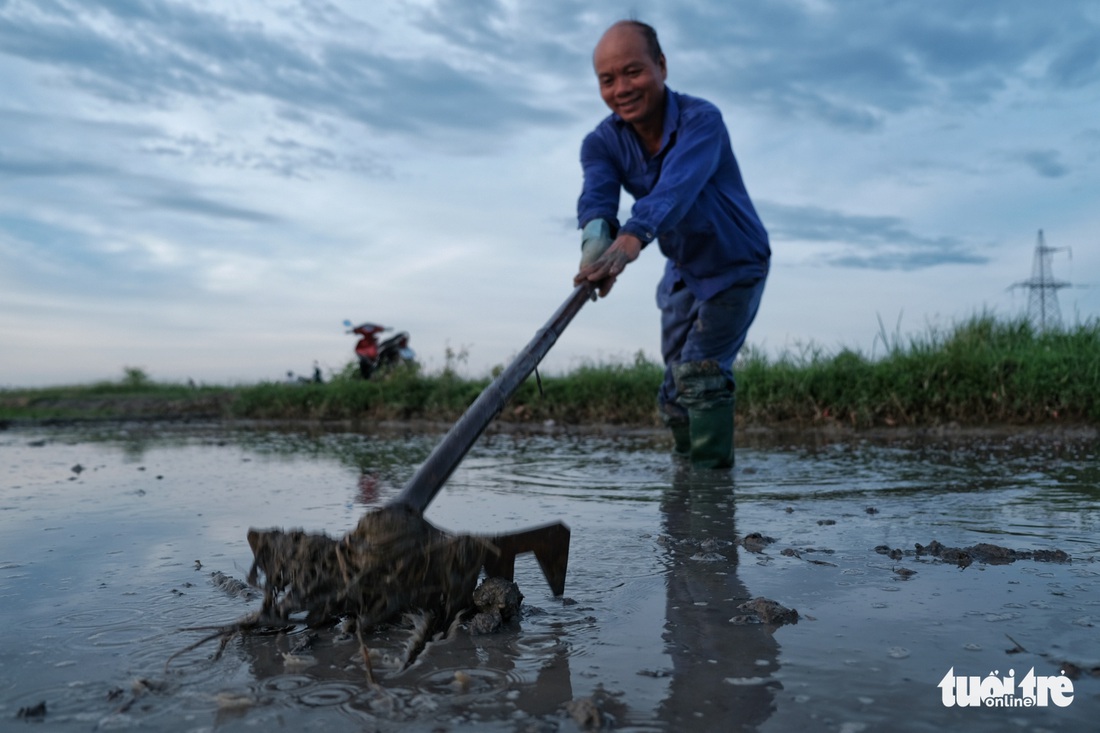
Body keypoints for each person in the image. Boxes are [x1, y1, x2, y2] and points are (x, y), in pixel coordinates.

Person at [574, 20, 770, 469]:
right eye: (607, 80)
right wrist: (596, 244)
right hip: (683, 269)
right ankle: (686, 488)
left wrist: (630, 240)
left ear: (661, 66)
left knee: (701, 374)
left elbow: (674, 191)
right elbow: (598, 198)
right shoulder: (601, 143)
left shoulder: (702, 121)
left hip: (735, 263)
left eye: (633, 72)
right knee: (674, 389)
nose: (621, 88)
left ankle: (711, 492)